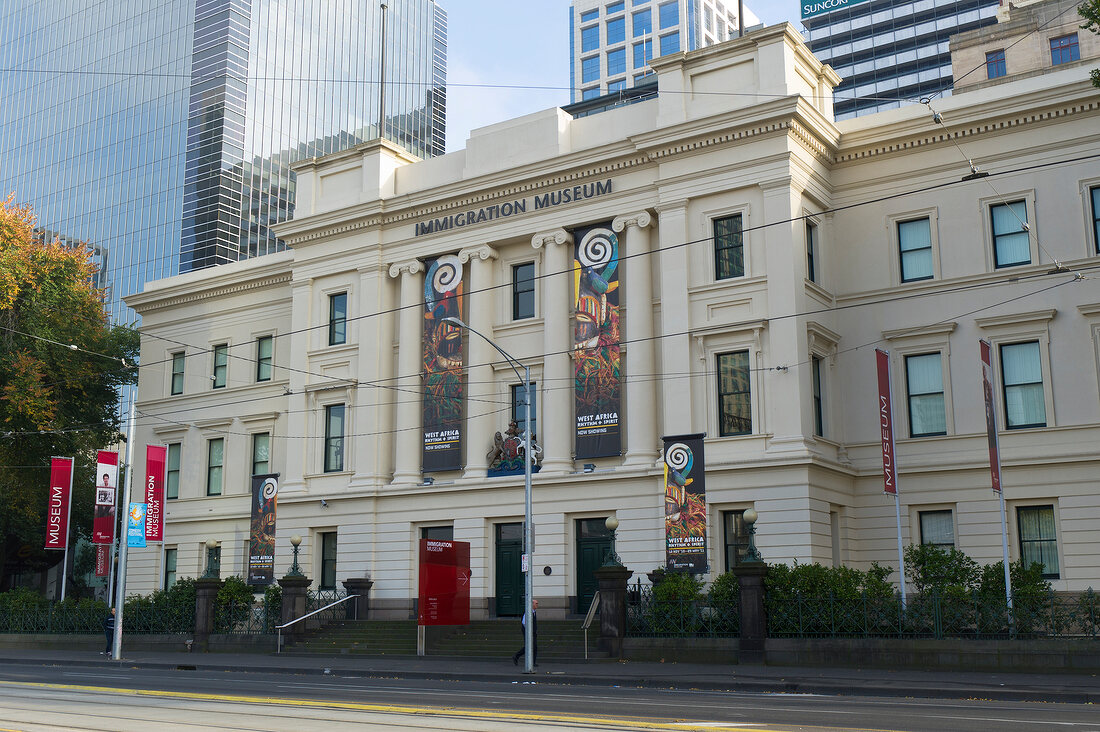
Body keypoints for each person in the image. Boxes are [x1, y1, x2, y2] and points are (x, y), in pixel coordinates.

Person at [512, 598, 537, 667]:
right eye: (536, 603)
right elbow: (524, 622)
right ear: (532, 604)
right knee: (530, 646)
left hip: (533, 632)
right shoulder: (528, 611)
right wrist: (529, 631)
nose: (537, 605)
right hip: (528, 632)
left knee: (534, 647)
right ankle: (517, 656)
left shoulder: (534, 611)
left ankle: (533, 662)